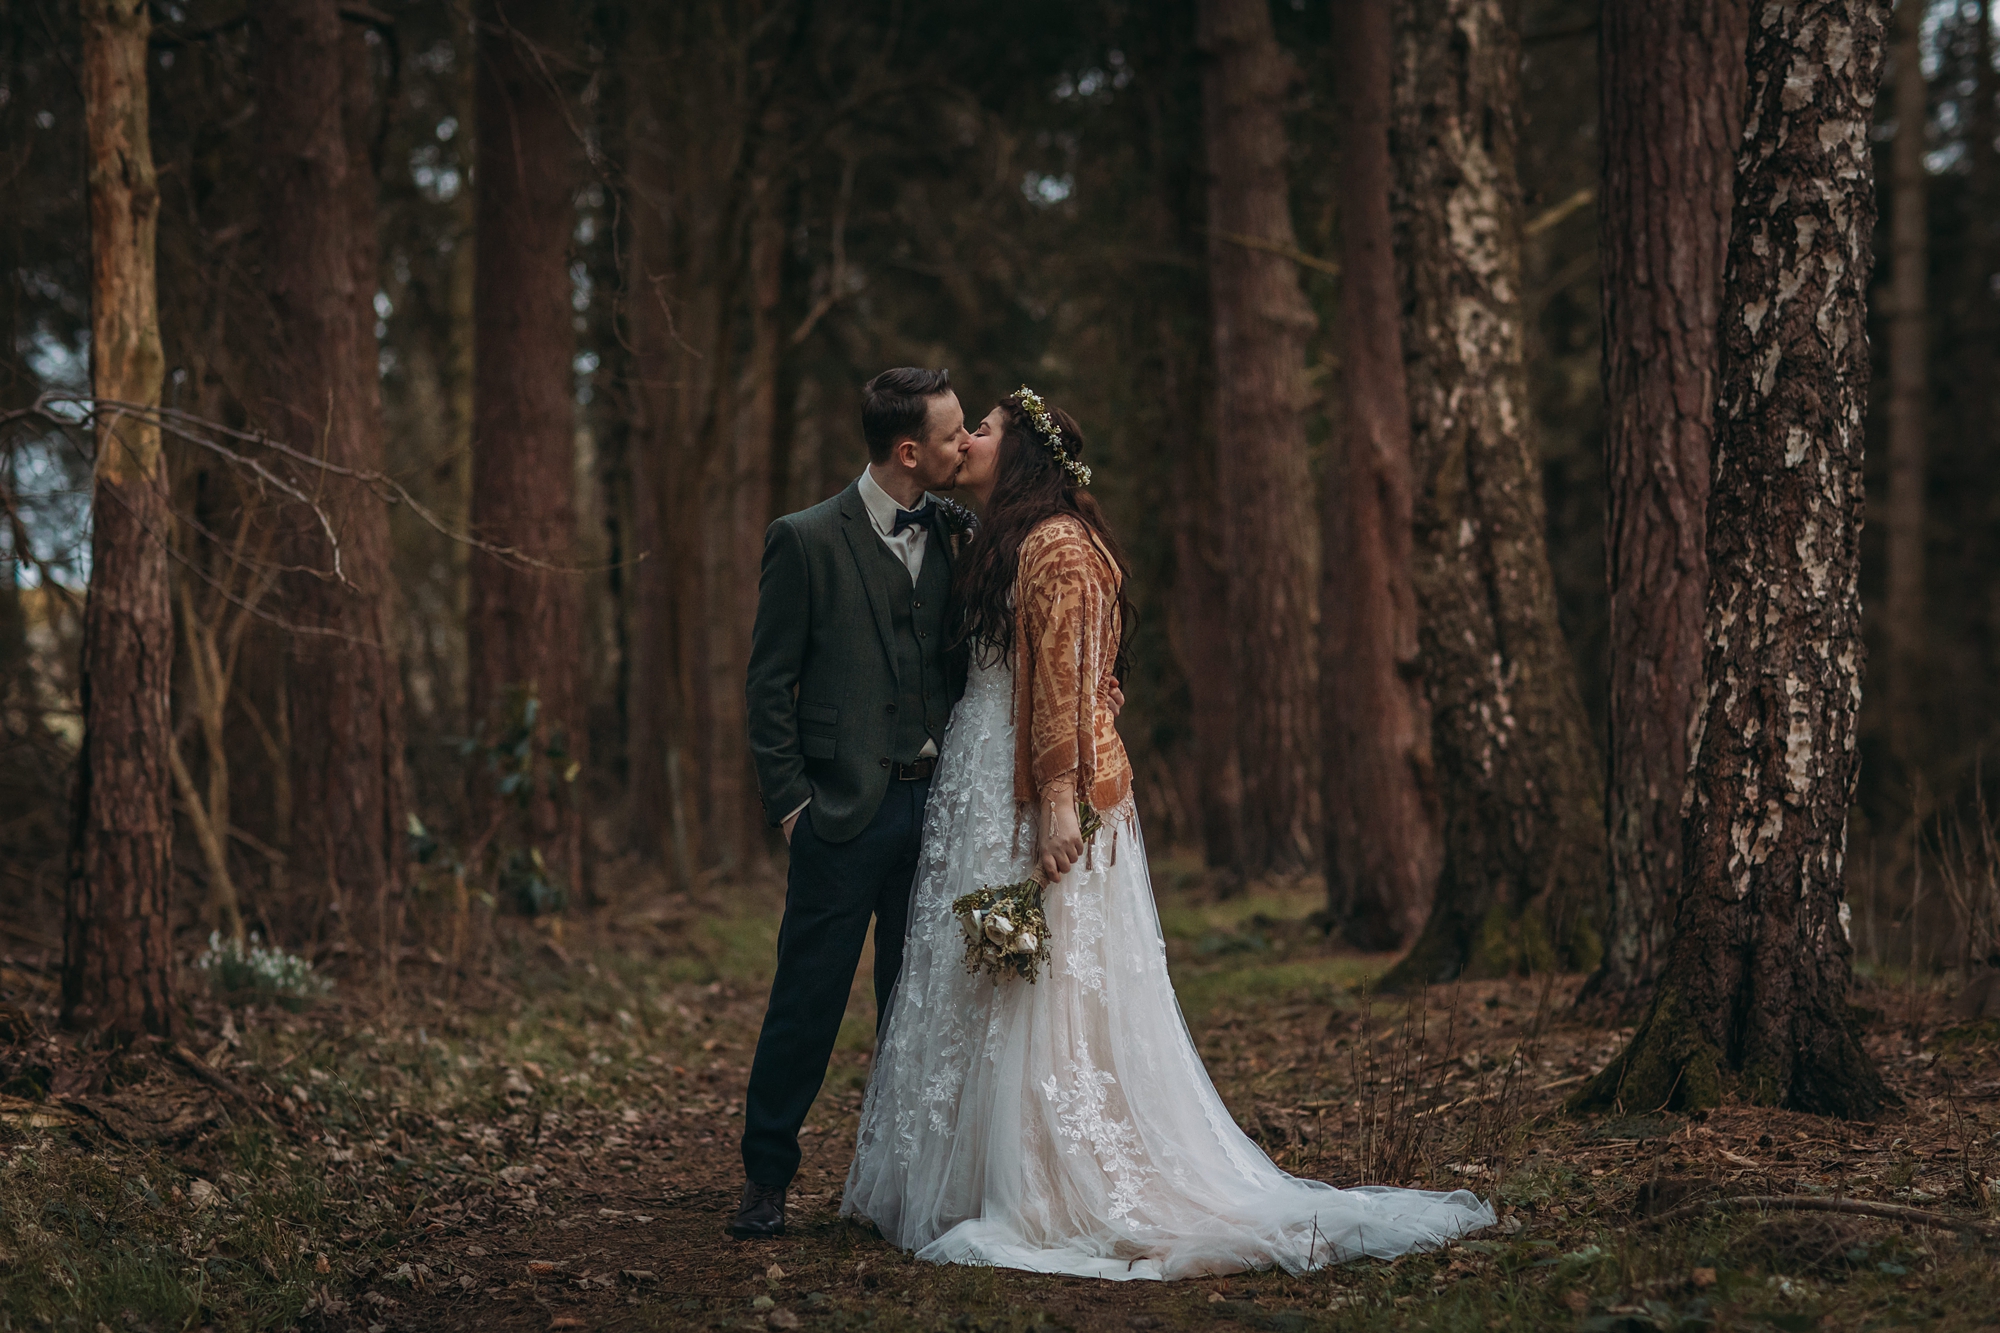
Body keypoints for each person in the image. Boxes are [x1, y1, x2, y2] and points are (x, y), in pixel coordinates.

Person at [840, 387, 1495, 1279]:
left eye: (985, 428)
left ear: (1023, 454)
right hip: (984, 779)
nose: (971, 440)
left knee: (1045, 985)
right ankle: (963, 1174)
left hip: (1032, 788)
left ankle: (1038, 1181)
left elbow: (1071, 682)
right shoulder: (1001, 537)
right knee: (982, 980)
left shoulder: (1057, 543)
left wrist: (1061, 800)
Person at [732, 367, 972, 1240]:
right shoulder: (802, 539)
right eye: (951, 436)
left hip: (935, 812)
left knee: (916, 1004)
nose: (963, 447)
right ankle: (766, 1173)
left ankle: (901, 1179)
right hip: (839, 813)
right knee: (808, 997)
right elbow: (768, 685)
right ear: (910, 450)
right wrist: (793, 804)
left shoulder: (955, 530)